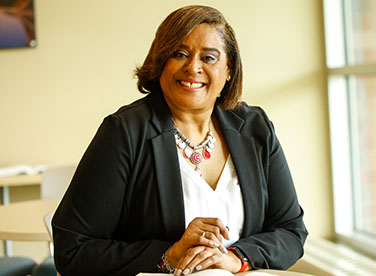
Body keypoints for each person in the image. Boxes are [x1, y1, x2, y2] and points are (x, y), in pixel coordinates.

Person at [52, 5, 308, 276]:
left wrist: (237, 258)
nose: (193, 67)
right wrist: (169, 254)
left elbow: (290, 230)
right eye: (179, 54)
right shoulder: (124, 132)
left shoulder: (256, 128)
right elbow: (73, 250)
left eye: (209, 58)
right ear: (160, 61)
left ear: (229, 69)